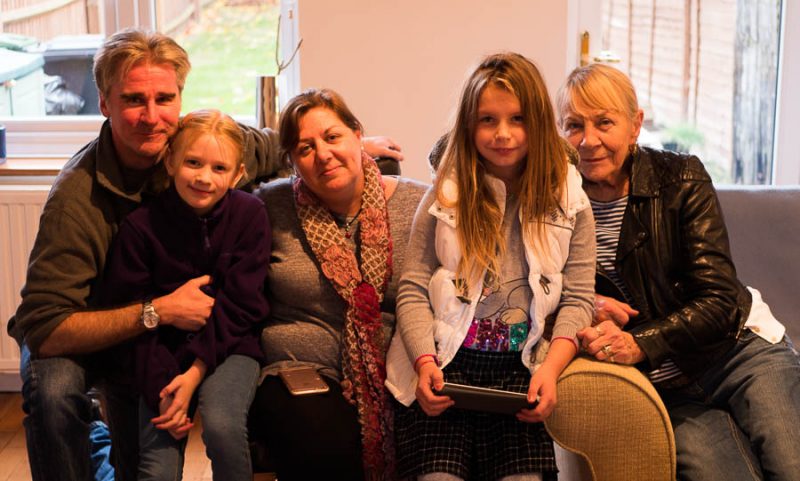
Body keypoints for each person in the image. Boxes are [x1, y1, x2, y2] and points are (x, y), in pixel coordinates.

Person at [7, 27, 402, 481]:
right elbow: (44, 328)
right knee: (54, 391)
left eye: (164, 99)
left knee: (147, 461)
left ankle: (104, 445)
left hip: (177, 337)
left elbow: (274, 144)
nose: (151, 117)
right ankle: (93, 444)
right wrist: (157, 312)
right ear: (104, 103)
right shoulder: (75, 200)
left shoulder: (198, 143)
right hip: (89, 325)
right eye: (133, 100)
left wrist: (348, 147)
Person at [557, 63, 800, 480]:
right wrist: (588, 301)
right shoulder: (556, 201)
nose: (588, 140)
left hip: (737, 352)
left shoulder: (681, 177)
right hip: (667, 388)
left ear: (635, 125)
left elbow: (720, 299)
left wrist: (639, 343)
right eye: (573, 125)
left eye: (604, 122)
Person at [385, 52, 596, 481]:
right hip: (445, 367)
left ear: (539, 122)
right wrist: (424, 362)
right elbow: (412, 287)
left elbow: (578, 299)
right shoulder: (444, 195)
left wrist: (551, 370)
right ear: (468, 125)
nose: (503, 134)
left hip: (521, 375)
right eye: (487, 120)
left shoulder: (572, 202)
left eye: (518, 119)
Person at [249, 88, 427, 481]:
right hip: (297, 369)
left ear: (358, 135)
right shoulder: (269, 205)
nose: (323, 155)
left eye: (333, 137)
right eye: (305, 148)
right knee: (323, 441)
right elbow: (215, 162)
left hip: (398, 372)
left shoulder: (418, 204)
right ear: (292, 161)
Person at [101, 109, 269, 481]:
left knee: (223, 427)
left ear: (238, 174)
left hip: (231, 347)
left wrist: (195, 372)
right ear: (171, 161)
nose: (204, 178)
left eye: (219, 168)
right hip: (158, 352)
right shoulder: (140, 227)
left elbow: (242, 306)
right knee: (157, 465)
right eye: (193, 163)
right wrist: (159, 389)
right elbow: (131, 311)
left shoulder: (250, 215)